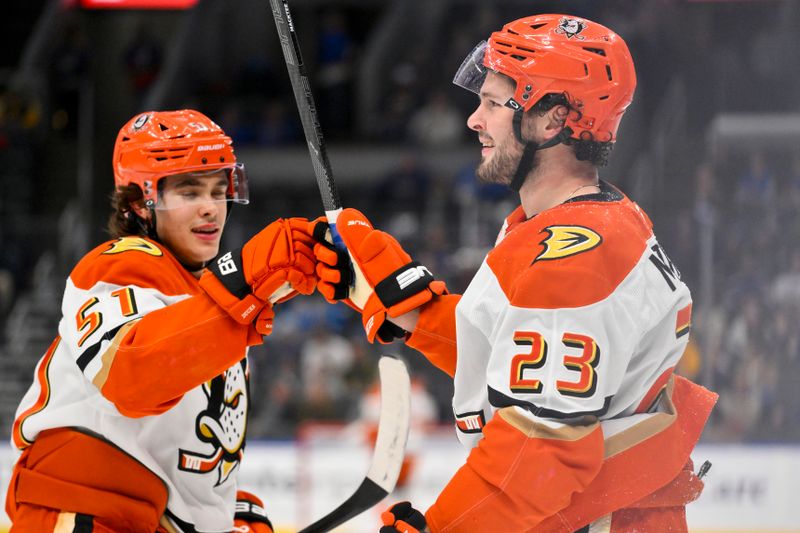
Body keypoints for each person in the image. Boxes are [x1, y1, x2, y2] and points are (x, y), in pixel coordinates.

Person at [311, 14, 718, 532]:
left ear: (551, 120)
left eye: (493, 102)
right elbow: (519, 360)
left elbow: (540, 451)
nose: (474, 119)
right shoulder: (581, 223)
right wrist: (412, 311)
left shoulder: (574, 259)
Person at [5, 109, 318, 532]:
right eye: (189, 193)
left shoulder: (214, 306)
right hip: (80, 506)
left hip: (139, 515)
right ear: (139, 202)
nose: (212, 208)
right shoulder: (124, 264)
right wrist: (245, 284)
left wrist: (224, 513)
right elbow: (132, 375)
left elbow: (176, 447)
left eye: (218, 190)